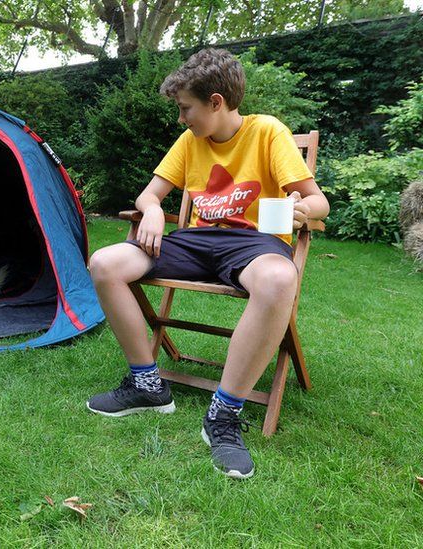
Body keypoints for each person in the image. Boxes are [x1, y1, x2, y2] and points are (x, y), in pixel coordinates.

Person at [85, 48, 329, 479]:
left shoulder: (267, 132)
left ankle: (223, 412)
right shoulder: (189, 142)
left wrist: (301, 210)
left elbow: (319, 202)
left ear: (216, 102)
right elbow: (149, 195)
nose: (182, 119)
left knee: (278, 278)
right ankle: (147, 384)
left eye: (186, 109)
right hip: (195, 242)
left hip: (252, 243)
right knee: (105, 262)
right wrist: (155, 210)